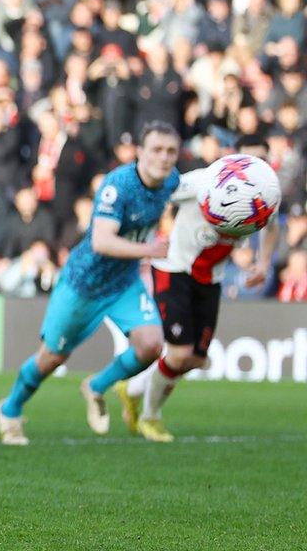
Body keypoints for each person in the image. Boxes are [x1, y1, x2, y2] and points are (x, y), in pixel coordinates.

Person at [0, 121, 181, 446]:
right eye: (156, 150)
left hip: (123, 282)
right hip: (83, 283)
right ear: (140, 152)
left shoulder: (172, 181)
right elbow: (102, 242)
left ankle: (96, 386)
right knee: (51, 358)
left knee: (151, 344)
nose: (164, 158)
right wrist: (148, 250)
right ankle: (9, 410)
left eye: (171, 151)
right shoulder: (117, 185)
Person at [116, 137, 278, 442]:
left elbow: (273, 227)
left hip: (211, 277)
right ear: (234, 158)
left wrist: (264, 262)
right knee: (178, 355)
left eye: (262, 161)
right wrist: (144, 237)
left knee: (197, 359)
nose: (255, 168)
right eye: (249, 159)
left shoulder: (267, 191)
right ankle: (150, 417)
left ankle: (133, 388)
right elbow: (156, 193)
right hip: (175, 269)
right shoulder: (203, 182)